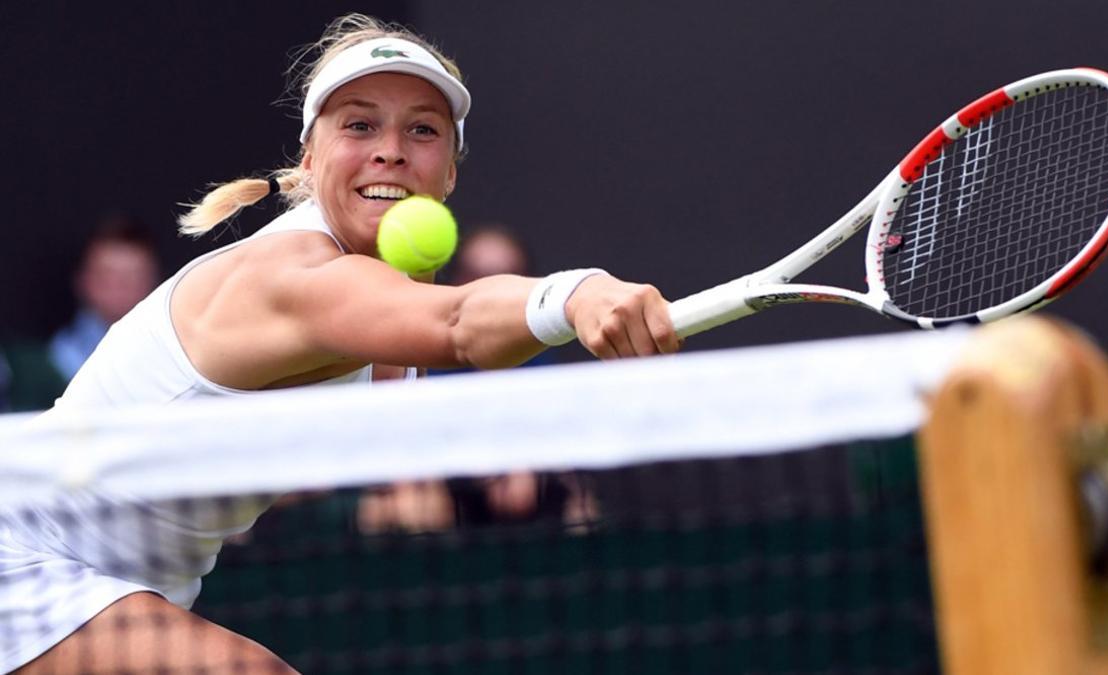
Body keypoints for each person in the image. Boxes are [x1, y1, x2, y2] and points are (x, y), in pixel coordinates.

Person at [1, 13, 678, 675]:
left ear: (449, 172)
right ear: (309, 157)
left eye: (422, 129)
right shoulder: (295, 273)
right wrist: (577, 293)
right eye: (359, 124)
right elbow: (460, 324)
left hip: (130, 584)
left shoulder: (390, 305)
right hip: (22, 555)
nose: (390, 148)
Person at [47, 216, 161, 383]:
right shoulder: (54, 357)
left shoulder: (175, 352)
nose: (120, 288)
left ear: (154, 281)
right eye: (107, 276)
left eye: (133, 277)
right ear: (83, 280)